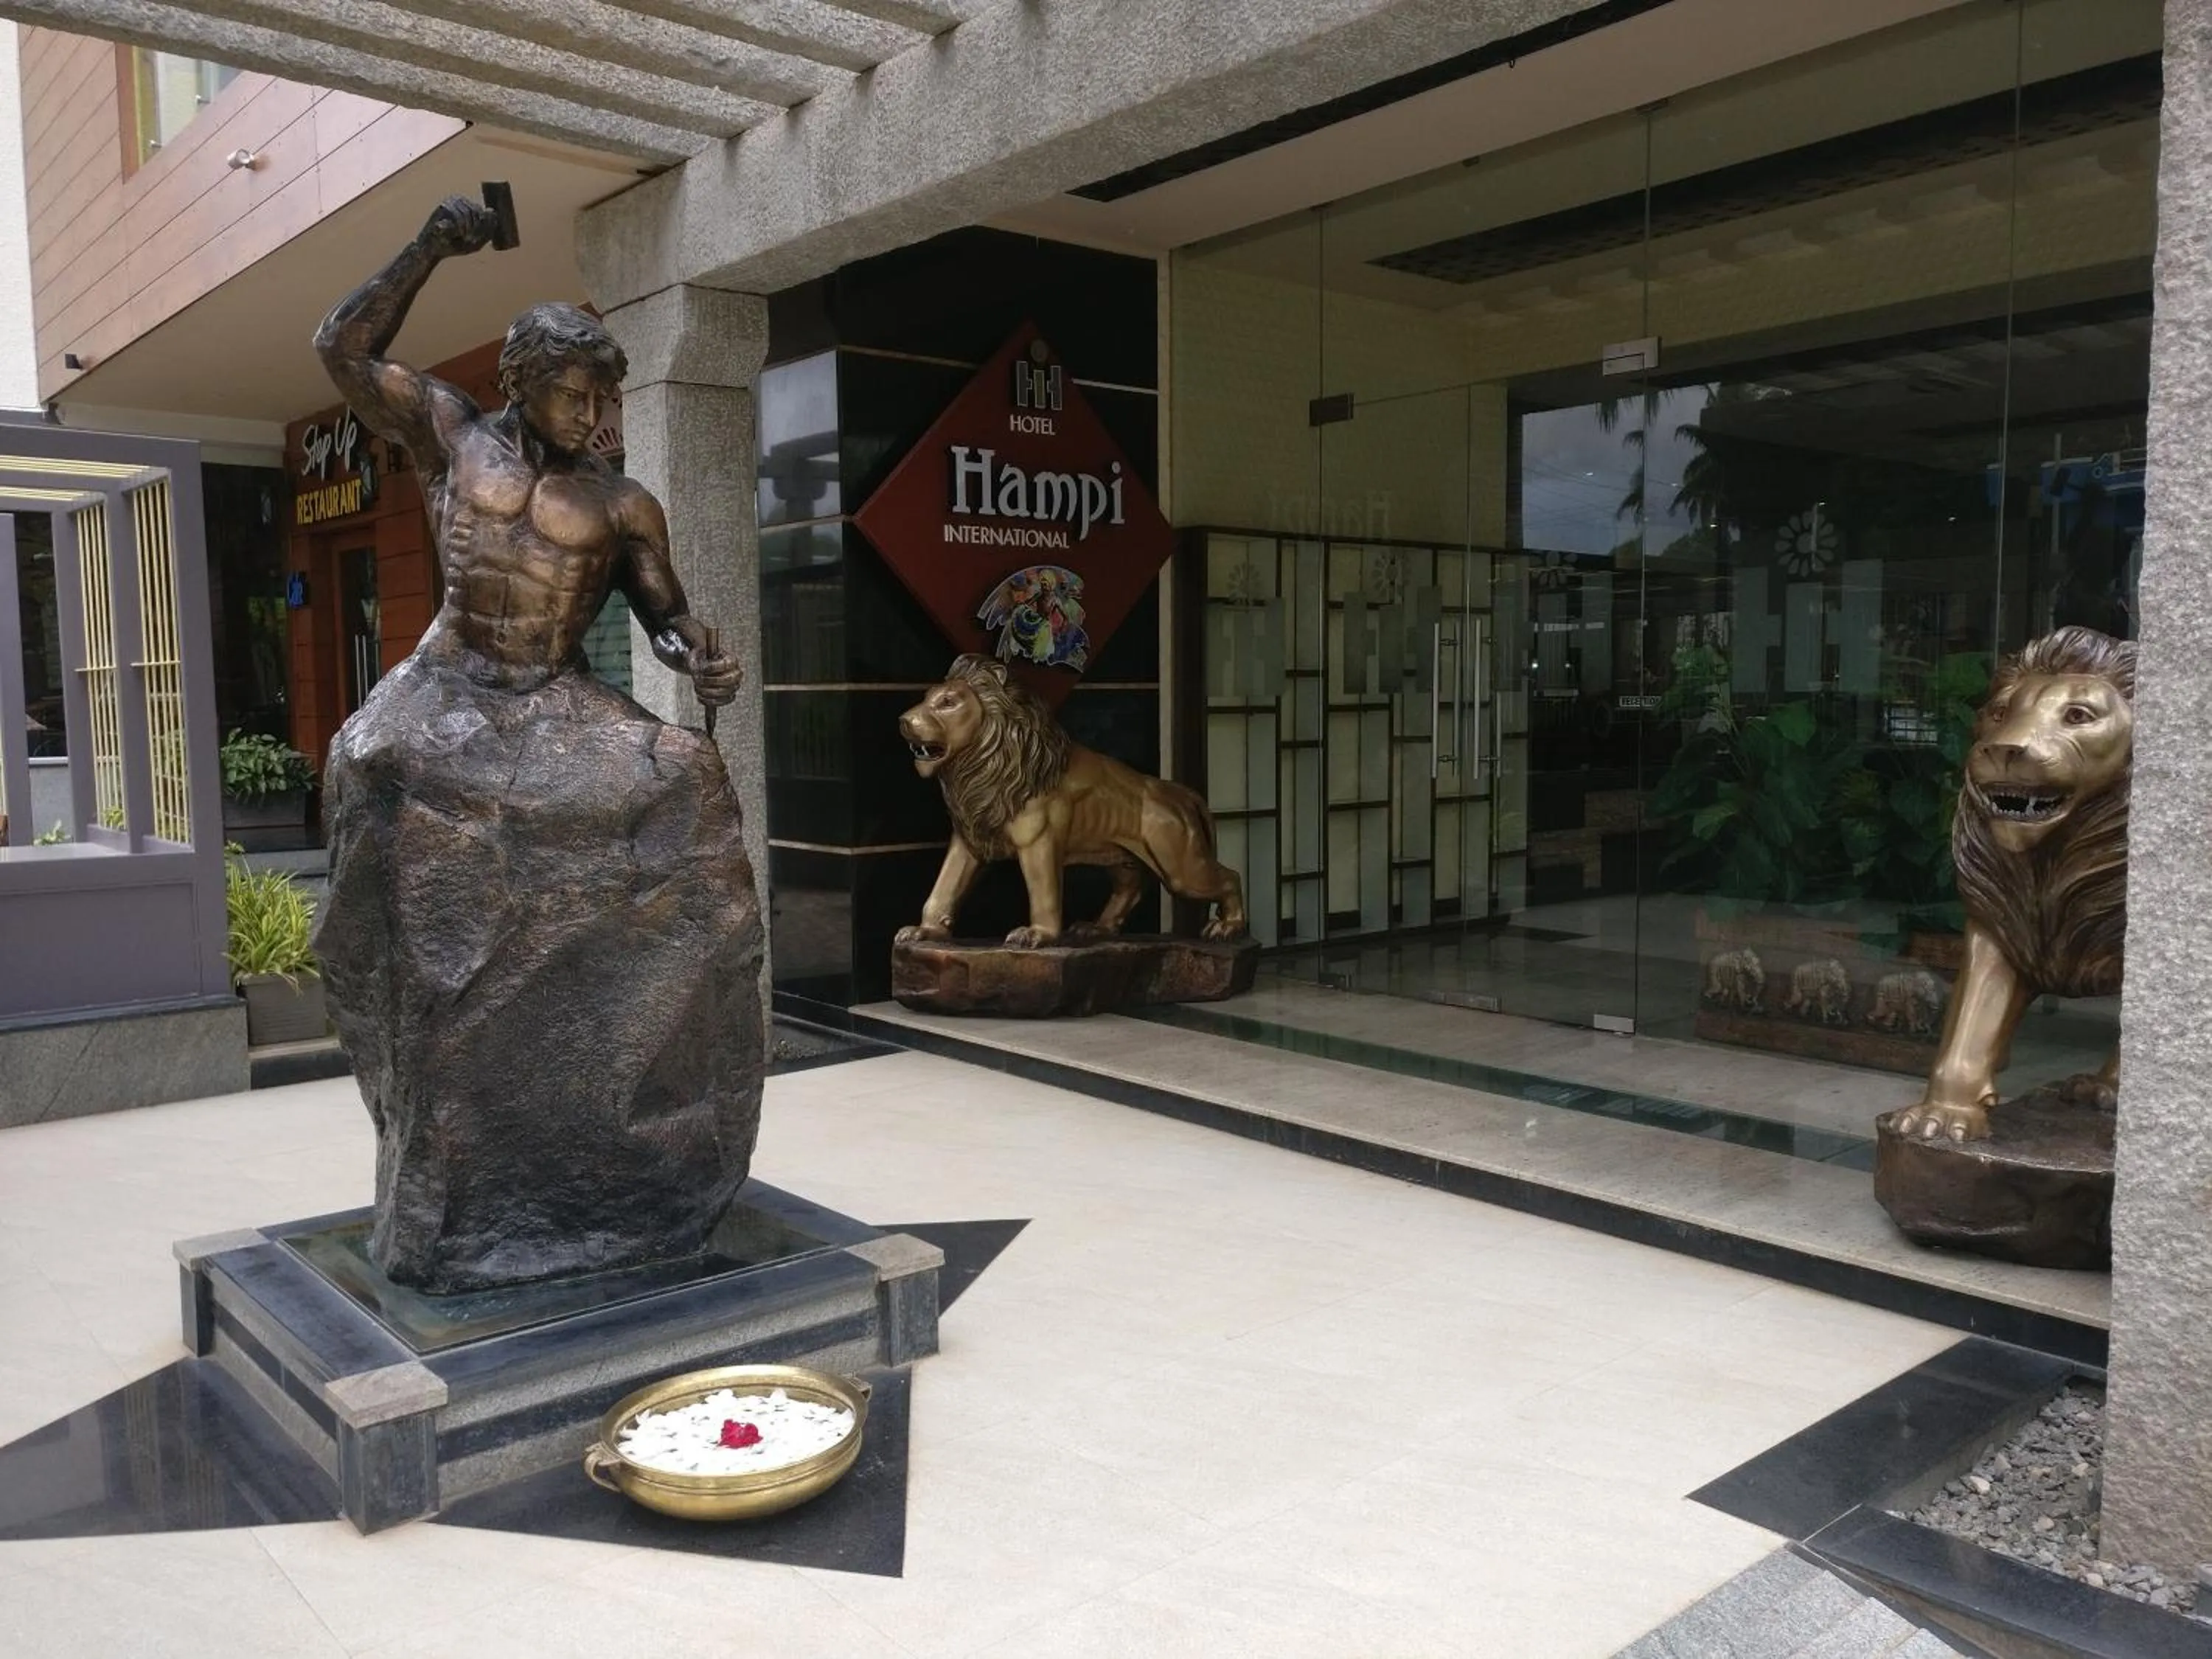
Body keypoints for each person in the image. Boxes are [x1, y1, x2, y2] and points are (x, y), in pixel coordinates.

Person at [312, 194, 738, 706]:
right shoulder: (455, 436)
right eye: (572, 396)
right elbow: (341, 350)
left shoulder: (625, 503)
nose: (590, 416)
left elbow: (668, 623)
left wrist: (697, 659)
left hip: (555, 694)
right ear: (516, 381)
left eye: (600, 400)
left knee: (690, 769)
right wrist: (426, 250)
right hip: (448, 687)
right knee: (361, 757)